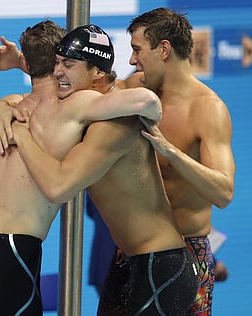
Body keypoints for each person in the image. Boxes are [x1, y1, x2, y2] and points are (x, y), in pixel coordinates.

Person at [0, 21, 162, 315]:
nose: (62, 70)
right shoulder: (74, 104)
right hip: (10, 253)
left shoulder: (9, 114)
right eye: (60, 62)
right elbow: (147, 101)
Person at [106, 8, 234, 315]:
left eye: (137, 50)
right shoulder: (138, 87)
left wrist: (171, 153)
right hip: (133, 253)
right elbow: (82, 92)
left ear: (163, 49)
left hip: (186, 252)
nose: (132, 60)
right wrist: (8, 102)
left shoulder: (207, 109)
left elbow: (224, 193)